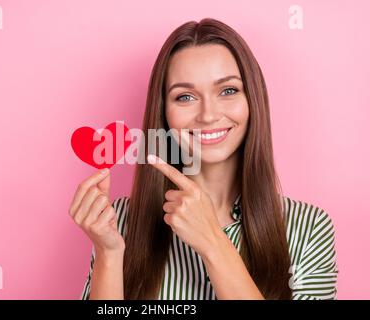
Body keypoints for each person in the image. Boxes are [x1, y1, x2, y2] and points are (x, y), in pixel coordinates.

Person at [69, 18, 339, 300]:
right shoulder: (121, 221)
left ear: (252, 100)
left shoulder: (308, 228)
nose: (208, 115)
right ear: (164, 113)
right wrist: (108, 253)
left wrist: (212, 241)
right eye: (185, 97)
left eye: (228, 90)